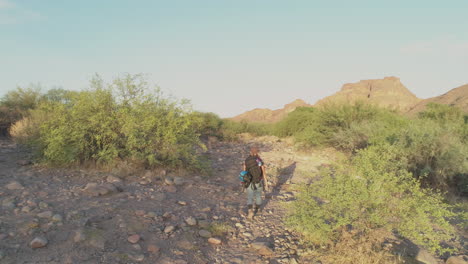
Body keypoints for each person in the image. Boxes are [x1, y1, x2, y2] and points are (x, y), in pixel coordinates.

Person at [243, 146, 269, 219]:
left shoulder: (247, 160)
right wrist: (266, 183)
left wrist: (243, 182)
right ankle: (257, 209)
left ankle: (250, 211)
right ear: (257, 152)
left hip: (249, 181)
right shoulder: (259, 160)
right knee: (258, 196)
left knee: (250, 197)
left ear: (250, 152)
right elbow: (263, 172)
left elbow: (244, 172)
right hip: (258, 180)